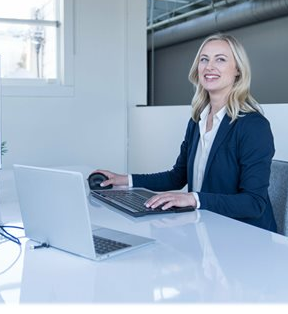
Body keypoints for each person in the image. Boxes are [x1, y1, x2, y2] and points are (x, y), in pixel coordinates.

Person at [96, 33, 277, 232]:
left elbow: (254, 202)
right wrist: (125, 180)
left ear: (238, 71)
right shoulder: (197, 120)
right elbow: (177, 177)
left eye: (220, 59)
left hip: (244, 236)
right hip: (207, 227)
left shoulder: (253, 126)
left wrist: (193, 198)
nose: (209, 67)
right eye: (204, 59)